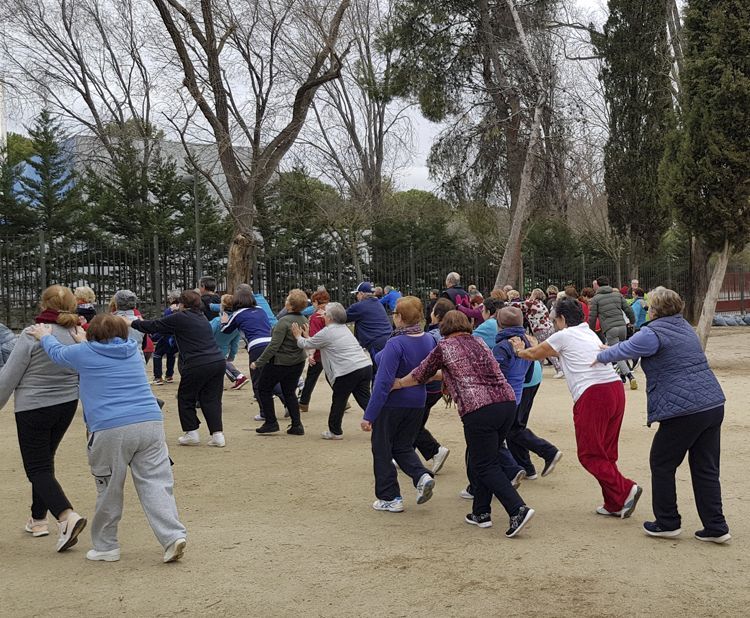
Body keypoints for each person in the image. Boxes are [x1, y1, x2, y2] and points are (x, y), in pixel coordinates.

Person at [30, 314, 188, 563]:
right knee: (157, 483)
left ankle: (106, 546)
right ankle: (173, 536)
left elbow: (59, 354)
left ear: (91, 335)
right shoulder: (132, 351)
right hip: (149, 422)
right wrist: (85, 342)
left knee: (109, 488)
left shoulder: (84, 353)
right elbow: (100, 353)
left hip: (109, 428)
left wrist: (45, 337)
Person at [595, 287, 730, 543]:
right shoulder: (684, 327)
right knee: (706, 468)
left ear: (654, 309)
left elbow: (624, 351)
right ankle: (716, 526)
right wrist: (612, 349)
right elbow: (632, 347)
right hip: (712, 403)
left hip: (684, 410)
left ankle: (667, 522)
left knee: (662, 462)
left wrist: (599, 355)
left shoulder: (653, 331)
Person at [398, 310, 535, 538]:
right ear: (467, 325)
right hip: (506, 403)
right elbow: (460, 371)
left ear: (444, 328)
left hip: (479, 409)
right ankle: (481, 512)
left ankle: (517, 509)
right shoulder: (480, 341)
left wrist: (398, 383)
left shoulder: (444, 347)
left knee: (485, 464)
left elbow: (421, 374)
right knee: (480, 457)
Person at [516, 297, 641, 519]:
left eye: (555, 320)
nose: (554, 324)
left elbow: (535, 354)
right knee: (606, 452)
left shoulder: (564, 335)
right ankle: (613, 502)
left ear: (562, 319)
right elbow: (554, 351)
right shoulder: (588, 332)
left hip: (593, 394)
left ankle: (625, 488)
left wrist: (519, 350)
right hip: (613, 389)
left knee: (590, 455)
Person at [0, 285, 87, 551]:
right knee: (44, 462)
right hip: (66, 404)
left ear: (42, 305)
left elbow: (9, 376)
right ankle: (38, 519)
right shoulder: (77, 333)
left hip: (33, 406)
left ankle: (65, 515)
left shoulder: (32, 334)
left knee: (36, 467)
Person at [361, 297, 437, 513]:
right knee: (403, 445)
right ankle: (421, 476)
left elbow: (383, 382)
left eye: (395, 313)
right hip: (418, 400)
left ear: (400, 317)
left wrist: (369, 415)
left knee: (382, 448)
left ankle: (390, 496)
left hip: (394, 402)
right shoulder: (429, 339)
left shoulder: (396, 342)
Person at [131, 290, 227, 447]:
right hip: (217, 361)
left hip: (197, 363)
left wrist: (133, 322)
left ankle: (191, 433)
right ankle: (218, 435)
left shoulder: (180, 317)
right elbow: (166, 328)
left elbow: (155, 326)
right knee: (211, 399)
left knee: (185, 397)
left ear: (181, 304)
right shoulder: (200, 316)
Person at [493, 306, 561, 480]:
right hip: (528, 381)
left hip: (515, 389)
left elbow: (498, 374)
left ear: (499, 324)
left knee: (514, 429)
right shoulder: (526, 338)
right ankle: (526, 467)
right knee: (515, 427)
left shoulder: (503, 344)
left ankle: (548, 452)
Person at [291, 302, 372, 439]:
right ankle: (383, 422)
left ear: (330, 318)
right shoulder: (343, 328)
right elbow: (319, 342)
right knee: (365, 398)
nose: (323, 316)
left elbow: (307, 344)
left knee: (339, 401)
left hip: (348, 371)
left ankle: (335, 431)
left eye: (325, 314)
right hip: (364, 366)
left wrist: (298, 336)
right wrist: (307, 336)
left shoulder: (328, 332)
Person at [252, 289, 309, 436]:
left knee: (263, 389)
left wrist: (258, 362)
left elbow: (273, 346)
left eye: (287, 299)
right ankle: (297, 424)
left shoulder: (283, 322)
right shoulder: (304, 319)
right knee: (289, 392)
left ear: (289, 305)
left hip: (280, 362)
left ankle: (271, 422)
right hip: (298, 361)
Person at [220, 284, 274, 421]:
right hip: (271, 343)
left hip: (256, 346)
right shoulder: (260, 309)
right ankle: (286, 403)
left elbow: (225, 330)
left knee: (257, 381)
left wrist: (223, 321)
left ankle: (264, 412)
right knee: (272, 377)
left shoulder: (238, 314)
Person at [417, 298, 453, 474]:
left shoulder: (432, 336)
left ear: (437, 315)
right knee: (416, 420)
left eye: (432, 312)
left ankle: (435, 450)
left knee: (411, 423)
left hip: (429, 384)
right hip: (439, 386)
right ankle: (404, 451)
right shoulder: (449, 333)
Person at [588, 276, 638, 390]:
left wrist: (591, 330)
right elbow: (628, 309)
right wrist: (632, 321)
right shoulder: (617, 295)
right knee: (622, 351)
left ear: (598, 286)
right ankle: (622, 376)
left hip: (610, 328)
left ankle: (630, 376)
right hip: (622, 327)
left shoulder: (596, 298)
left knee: (617, 354)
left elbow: (592, 317)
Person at [298, 290, 330, 413]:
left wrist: (311, 354)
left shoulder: (316, 317)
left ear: (316, 302)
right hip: (330, 351)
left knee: (311, 378)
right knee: (331, 377)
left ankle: (304, 403)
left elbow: (315, 337)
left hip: (318, 353)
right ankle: (344, 402)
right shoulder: (331, 313)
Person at [346, 282, 393, 366]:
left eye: (357, 294)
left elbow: (341, 317)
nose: (356, 296)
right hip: (389, 338)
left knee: (379, 370)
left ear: (361, 293)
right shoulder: (378, 303)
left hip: (376, 342)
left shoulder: (359, 306)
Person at [210, 294, 248, 390]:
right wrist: (232, 355)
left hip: (211, 348)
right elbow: (235, 344)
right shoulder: (236, 323)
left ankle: (238, 376)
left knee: (219, 366)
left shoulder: (217, 321)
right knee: (220, 367)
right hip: (224, 349)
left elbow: (207, 333)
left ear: (221, 306)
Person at [525, 289, 564, 379]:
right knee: (542, 349)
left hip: (541, 329)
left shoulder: (533, 303)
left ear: (534, 295)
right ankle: (539, 369)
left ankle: (559, 369)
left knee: (546, 349)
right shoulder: (540, 303)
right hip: (547, 327)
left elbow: (520, 305)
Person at [152, 292, 179, 385]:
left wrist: (155, 336)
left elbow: (165, 324)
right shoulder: (181, 308)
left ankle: (158, 377)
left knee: (157, 354)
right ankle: (169, 376)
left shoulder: (169, 310)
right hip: (176, 337)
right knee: (171, 355)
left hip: (166, 336)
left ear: (172, 299)